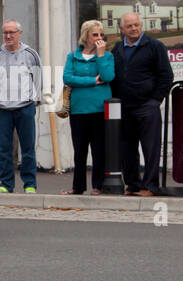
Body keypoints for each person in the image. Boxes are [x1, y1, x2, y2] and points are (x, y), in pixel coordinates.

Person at [110, 11, 173, 196]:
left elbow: (166, 76)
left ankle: (150, 186)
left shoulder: (155, 46)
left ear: (141, 25)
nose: (133, 28)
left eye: (136, 24)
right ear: (122, 29)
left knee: (151, 149)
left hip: (147, 106)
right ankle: (133, 185)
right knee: (127, 149)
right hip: (124, 107)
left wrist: (155, 101)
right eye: (129, 26)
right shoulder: (117, 49)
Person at [0, 21, 42, 194]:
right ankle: (5, 184)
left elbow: (38, 78)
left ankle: (30, 184)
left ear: (19, 33)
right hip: (3, 109)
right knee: (3, 148)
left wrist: (33, 99)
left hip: (25, 107)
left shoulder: (30, 54)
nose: (8, 36)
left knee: (27, 148)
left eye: (12, 32)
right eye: (5, 33)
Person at [61, 20, 114, 195]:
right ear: (86, 36)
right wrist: (91, 81)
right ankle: (78, 186)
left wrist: (100, 55)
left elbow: (107, 76)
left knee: (99, 149)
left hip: (99, 109)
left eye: (101, 35)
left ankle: (98, 185)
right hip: (78, 110)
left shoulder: (107, 56)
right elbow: (68, 78)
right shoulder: (73, 56)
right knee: (80, 150)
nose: (99, 38)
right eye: (95, 35)